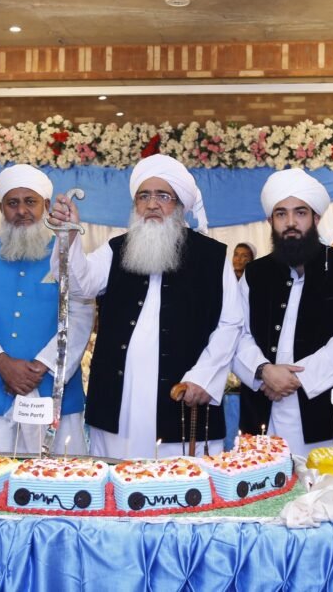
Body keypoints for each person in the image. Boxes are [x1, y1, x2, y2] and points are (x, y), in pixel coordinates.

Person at [49, 154, 242, 459]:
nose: (152, 204)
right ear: (135, 204)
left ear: (179, 205)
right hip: (119, 402)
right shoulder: (116, 248)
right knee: (115, 489)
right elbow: (78, 284)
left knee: (178, 493)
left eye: (163, 196)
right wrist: (70, 237)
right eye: (144, 196)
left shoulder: (213, 256)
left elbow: (231, 323)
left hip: (182, 397)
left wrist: (203, 377)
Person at [232, 170, 333, 455]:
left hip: (324, 413)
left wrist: (296, 379)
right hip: (262, 407)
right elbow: (236, 331)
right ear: (270, 221)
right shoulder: (255, 273)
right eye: (281, 214)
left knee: (328, 493)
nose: (291, 223)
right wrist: (263, 370)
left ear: (316, 218)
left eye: (300, 213)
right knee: (262, 493)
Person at [0, 165, 92, 454]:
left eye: (30, 202)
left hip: (51, 392)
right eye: (12, 203)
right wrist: (3, 363)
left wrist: (43, 366)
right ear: (1, 208)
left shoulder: (66, 250)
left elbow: (80, 315)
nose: (21, 211)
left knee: (57, 487)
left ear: (45, 205)